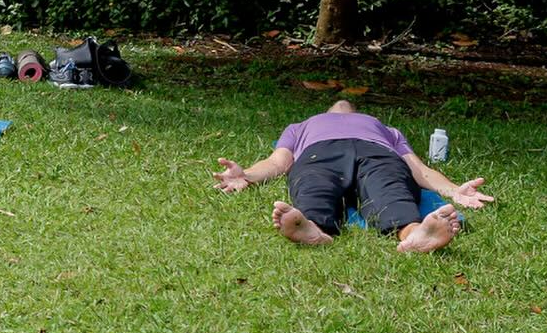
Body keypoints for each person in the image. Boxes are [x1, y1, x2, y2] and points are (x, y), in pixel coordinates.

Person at [212, 98, 495, 252]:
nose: (342, 104)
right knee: (314, 184)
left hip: (377, 153)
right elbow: (278, 161)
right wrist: (247, 175)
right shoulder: (300, 127)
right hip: (319, 153)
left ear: (358, 114)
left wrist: (453, 190)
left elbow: (418, 169)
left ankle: (414, 233)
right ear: (326, 112)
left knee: (389, 188)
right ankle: (313, 227)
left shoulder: (387, 130)